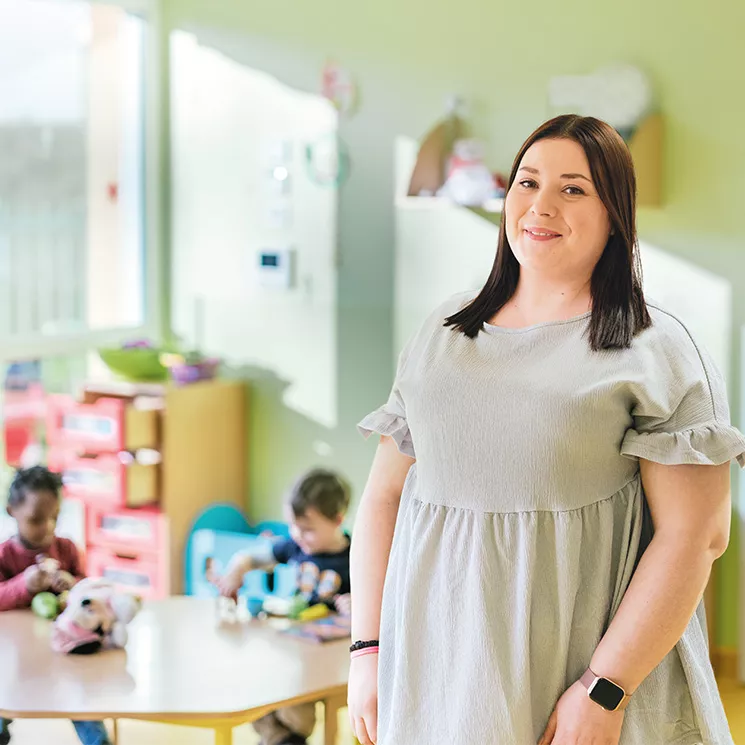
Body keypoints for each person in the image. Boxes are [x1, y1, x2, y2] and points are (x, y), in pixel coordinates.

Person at [348, 114, 745, 745]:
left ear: (616, 213)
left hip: (580, 681)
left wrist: (604, 689)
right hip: (432, 674)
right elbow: (384, 499)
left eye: (573, 189)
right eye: (527, 182)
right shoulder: (444, 331)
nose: (541, 205)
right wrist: (367, 651)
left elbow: (697, 537)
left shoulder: (656, 349)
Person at [218, 468, 352, 745]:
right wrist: (236, 571)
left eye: (308, 529)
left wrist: (356, 607)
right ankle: (280, 739)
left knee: (296, 716)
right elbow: (250, 558)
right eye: (293, 526)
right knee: (252, 691)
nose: (298, 535)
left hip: (330, 660)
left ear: (337, 520)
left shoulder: (354, 557)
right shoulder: (295, 546)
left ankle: (281, 738)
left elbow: (380, 603)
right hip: (294, 648)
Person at [0, 466, 112, 745]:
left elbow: (91, 595)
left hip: (66, 657)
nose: (47, 527)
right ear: (12, 510)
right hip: (13, 662)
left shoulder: (67, 550)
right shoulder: (4, 556)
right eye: (37, 519)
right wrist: (24, 584)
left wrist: (72, 585)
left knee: (87, 716)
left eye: (54, 518)